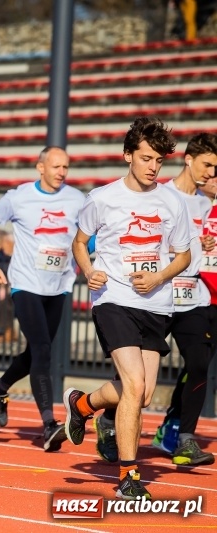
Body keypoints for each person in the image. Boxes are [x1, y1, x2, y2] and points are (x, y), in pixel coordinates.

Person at [66, 117, 190, 500]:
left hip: (156, 303)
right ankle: (129, 476)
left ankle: (83, 404)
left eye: (159, 161)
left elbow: (183, 256)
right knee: (134, 386)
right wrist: (89, 271)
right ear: (128, 156)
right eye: (147, 158)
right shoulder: (102, 198)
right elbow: (80, 242)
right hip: (114, 300)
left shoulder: (173, 201)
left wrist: (158, 278)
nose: (154, 167)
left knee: (143, 394)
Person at [0, 147, 85, 452]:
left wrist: (86, 259)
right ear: (41, 167)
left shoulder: (78, 199)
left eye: (66, 166)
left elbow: (88, 235)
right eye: (56, 166)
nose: (62, 172)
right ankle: (50, 424)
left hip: (60, 284)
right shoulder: (18, 197)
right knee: (42, 351)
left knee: (40, 350)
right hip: (25, 283)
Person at [133, 132, 217, 467]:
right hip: (159, 295)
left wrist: (203, 245)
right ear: (188, 159)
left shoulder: (204, 203)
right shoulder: (160, 194)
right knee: (137, 377)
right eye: (208, 165)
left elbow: (195, 242)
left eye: (215, 168)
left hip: (192, 296)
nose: (212, 173)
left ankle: (184, 439)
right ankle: (109, 420)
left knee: (199, 364)